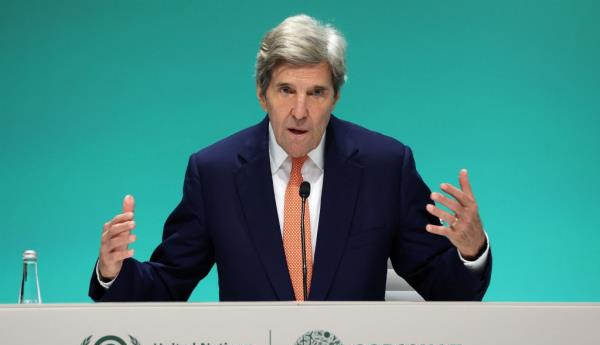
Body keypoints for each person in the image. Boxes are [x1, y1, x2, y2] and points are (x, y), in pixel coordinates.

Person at [89, 14, 491, 302]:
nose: (300, 111)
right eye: (286, 91)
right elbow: (167, 284)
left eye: (316, 93)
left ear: (335, 97)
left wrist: (471, 252)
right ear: (262, 94)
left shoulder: (385, 166)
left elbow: (444, 290)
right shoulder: (215, 172)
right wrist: (114, 271)